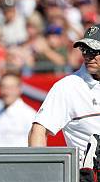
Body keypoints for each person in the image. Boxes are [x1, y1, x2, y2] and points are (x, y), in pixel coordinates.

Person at [29, 24, 100, 165]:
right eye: (85, 50)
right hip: (89, 181)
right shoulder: (67, 87)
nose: (87, 55)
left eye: (95, 50)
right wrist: (38, 172)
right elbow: (38, 130)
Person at [0, 73, 36, 146]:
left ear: (19, 89)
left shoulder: (30, 115)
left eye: (11, 88)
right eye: (3, 87)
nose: (6, 92)